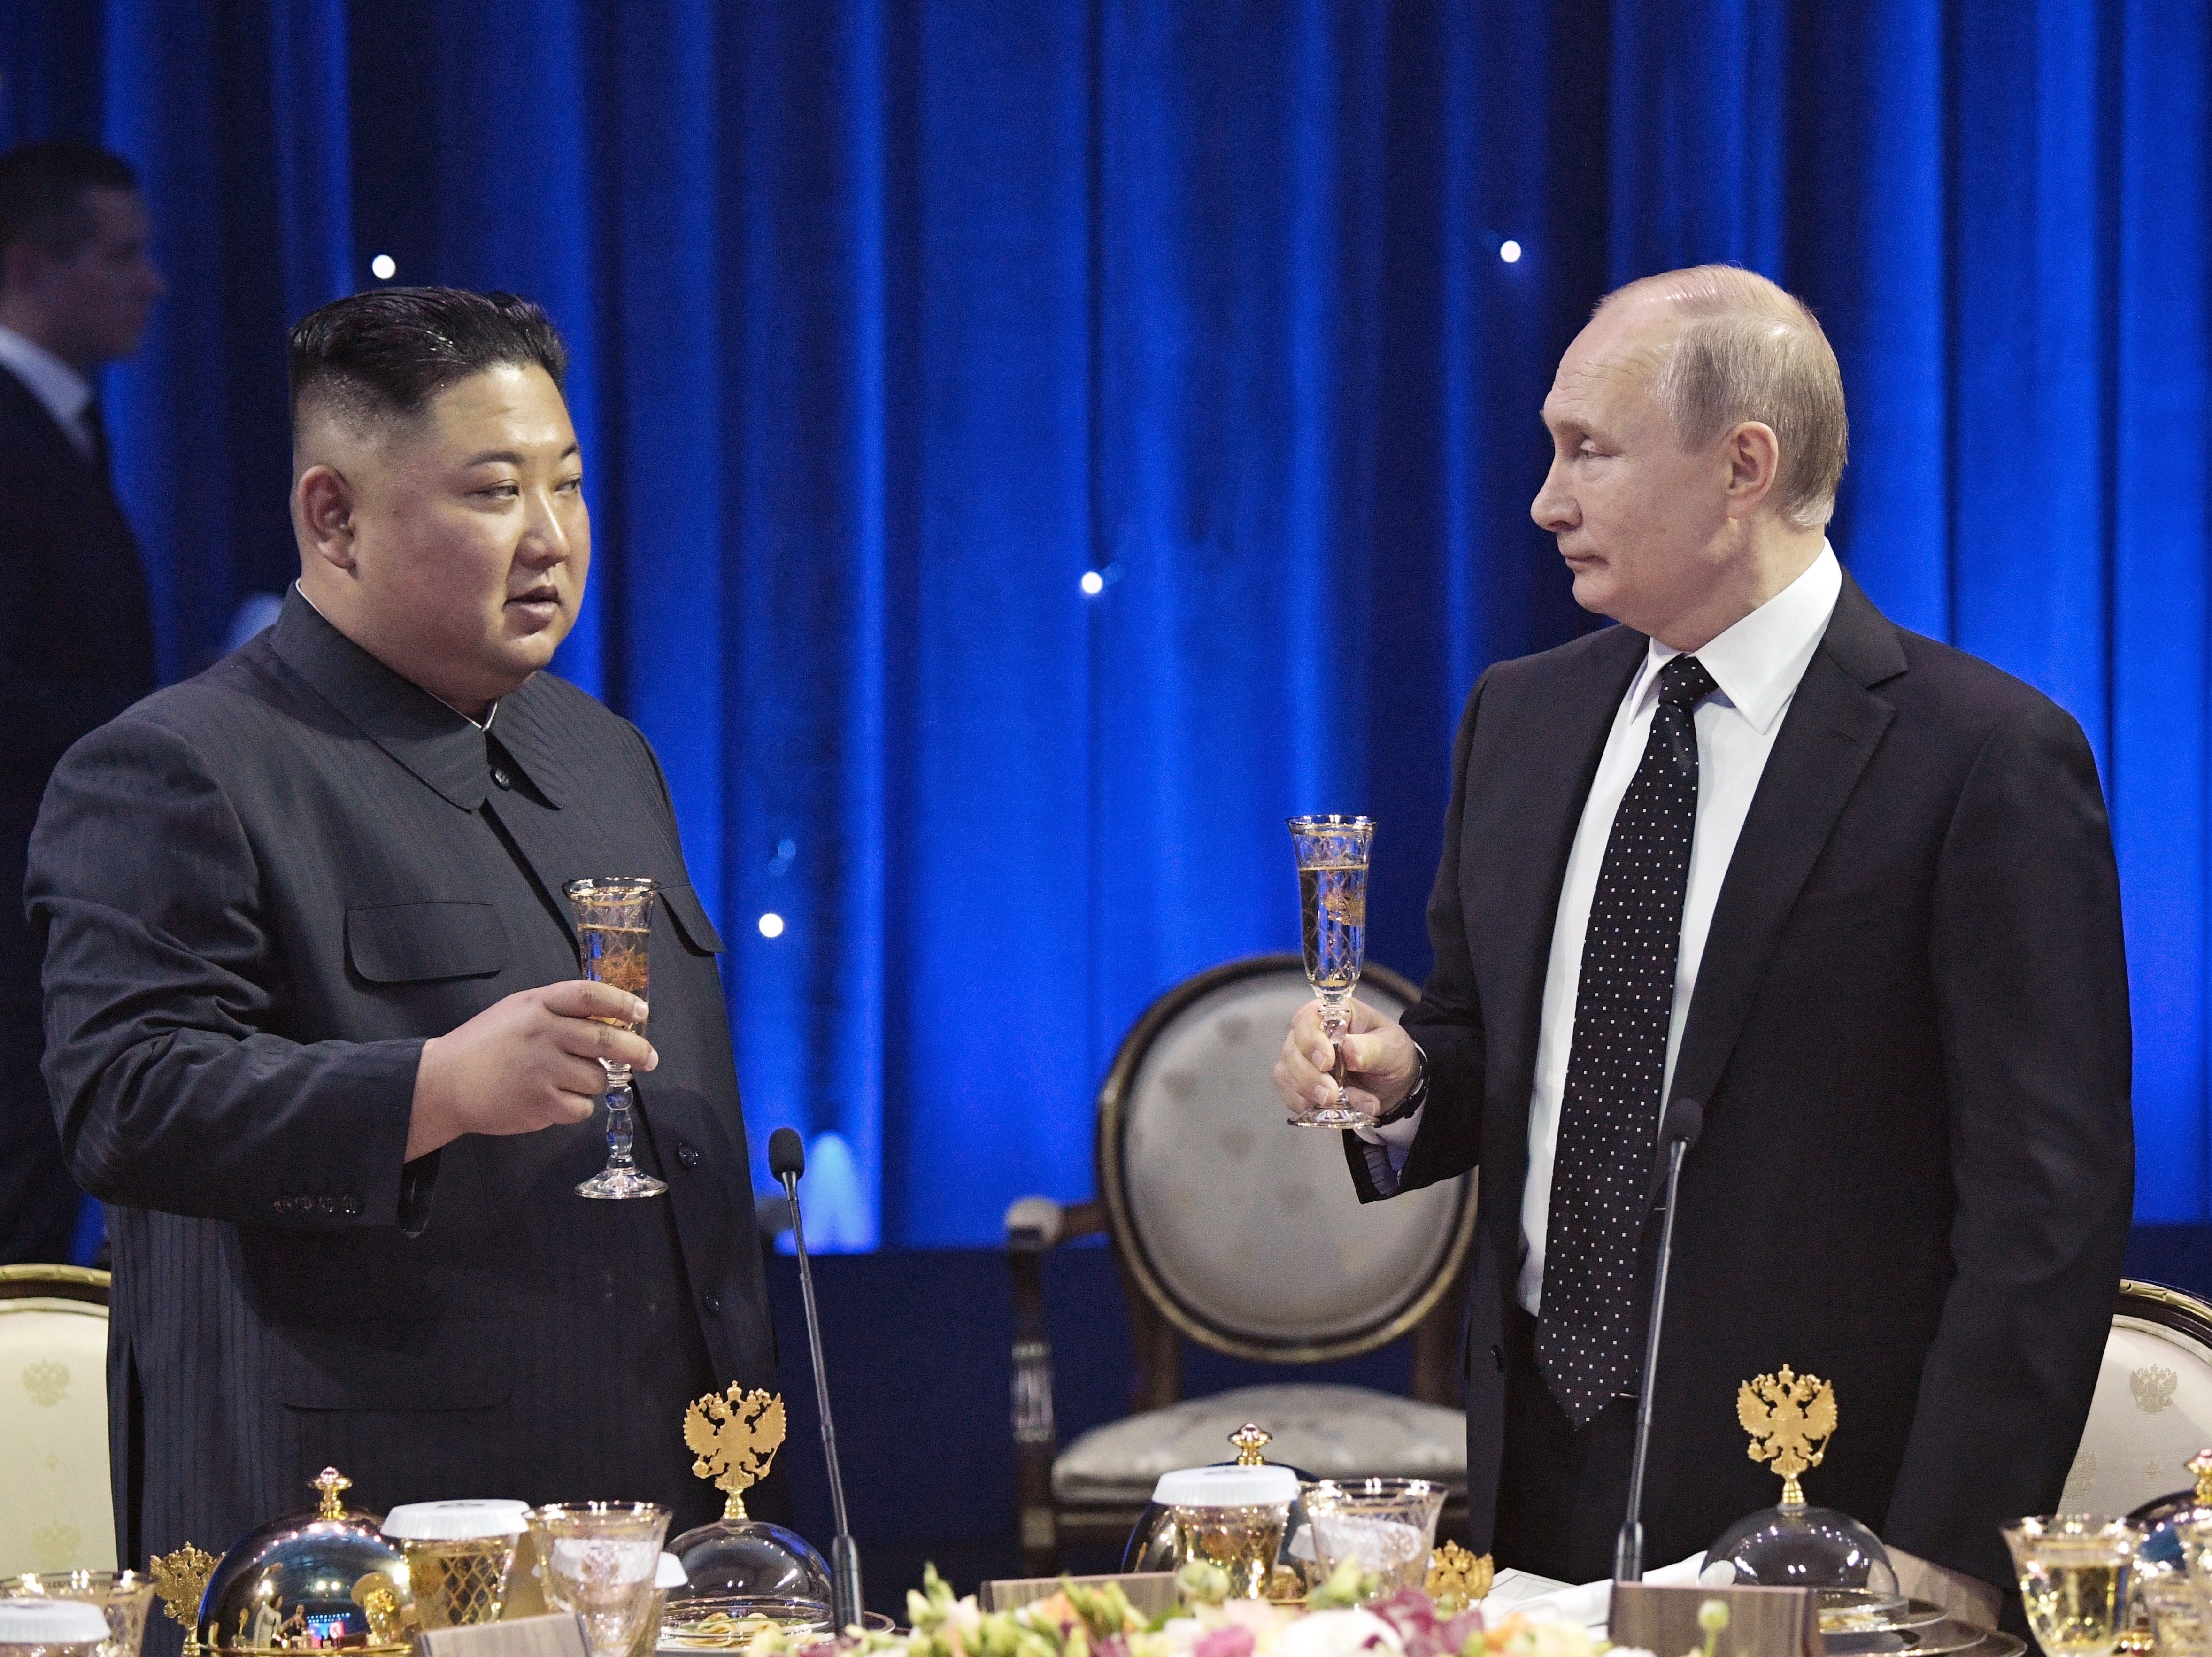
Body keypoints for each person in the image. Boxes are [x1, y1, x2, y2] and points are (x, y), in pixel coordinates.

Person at [1273, 266, 2131, 1623]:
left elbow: (2048, 1206)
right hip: (1533, 1475)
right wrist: (1406, 1080)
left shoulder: (1984, 759)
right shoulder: (1521, 717)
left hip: (1821, 1502)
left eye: (1588, 451)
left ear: (1744, 466)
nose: (1546, 499)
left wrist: (1953, 1556)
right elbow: (1483, 1033)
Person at [27, 288, 773, 1592]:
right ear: (335, 516)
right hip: (363, 1529)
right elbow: (125, 1098)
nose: (550, 539)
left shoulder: (599, 749)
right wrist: (433, 1088)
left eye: (570, 485)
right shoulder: (179, 766)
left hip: (659, 1486)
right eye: (493, 494)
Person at [0, 139, 161, 1264]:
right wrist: (155, 723)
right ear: (28, 265)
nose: (150, 281)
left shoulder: (64, 427)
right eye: (122, 255)